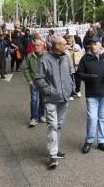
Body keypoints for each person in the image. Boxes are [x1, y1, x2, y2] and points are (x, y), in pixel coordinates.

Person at [34, 37, 73, 168]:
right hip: (51, 98)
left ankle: (55, 149)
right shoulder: (45, 58)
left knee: (59, 125)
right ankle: (53, 155)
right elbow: (39, 78)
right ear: (57, 46)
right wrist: (49, 91)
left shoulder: (66, 57)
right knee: (52, 125)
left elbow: (70, 74)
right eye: (64, 44)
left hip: (64, 97)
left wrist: (70, 88)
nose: (66, 46)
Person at [76, 36, 104, 154]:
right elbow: (79, 73)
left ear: (100, 44)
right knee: (92, 118)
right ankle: (89, 140)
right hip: (92, 93)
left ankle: (101, 141)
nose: (93, 46)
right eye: (91, 44)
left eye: (95, 44)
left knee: (103, 118)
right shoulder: (85, 58)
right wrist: (89, 77)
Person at [23, 40, 46, 127]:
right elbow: (25, 68)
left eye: (38, 45)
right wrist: (29, 80)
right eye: (35, 45)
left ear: (42, 45)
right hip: (34, 81)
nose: (36, 47)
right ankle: (34, 118)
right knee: (34, 100)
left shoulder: (47, 55)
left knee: (43, 99)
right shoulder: (30, 56)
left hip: (44, 81)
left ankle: (41, 115)